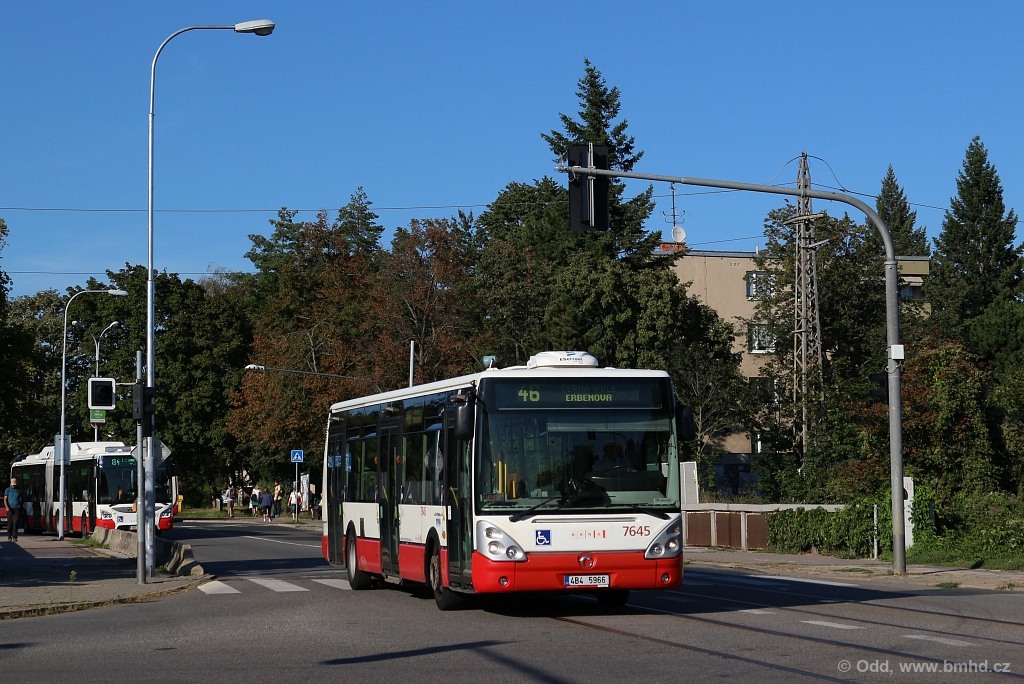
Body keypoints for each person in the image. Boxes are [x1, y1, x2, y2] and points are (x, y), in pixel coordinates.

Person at [5, 477, 23, 542]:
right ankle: (9, 536)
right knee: (10, 523)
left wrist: (21, 506)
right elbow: (5, 499)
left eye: (14, 485)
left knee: (15, 522)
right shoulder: (8, 490)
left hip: (17, 508)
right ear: (10, 484)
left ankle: (14, 536)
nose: (13, 486)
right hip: (10, 508)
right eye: (12, 485)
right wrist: (6, 507)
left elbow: (21, 499)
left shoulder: (19, 490)